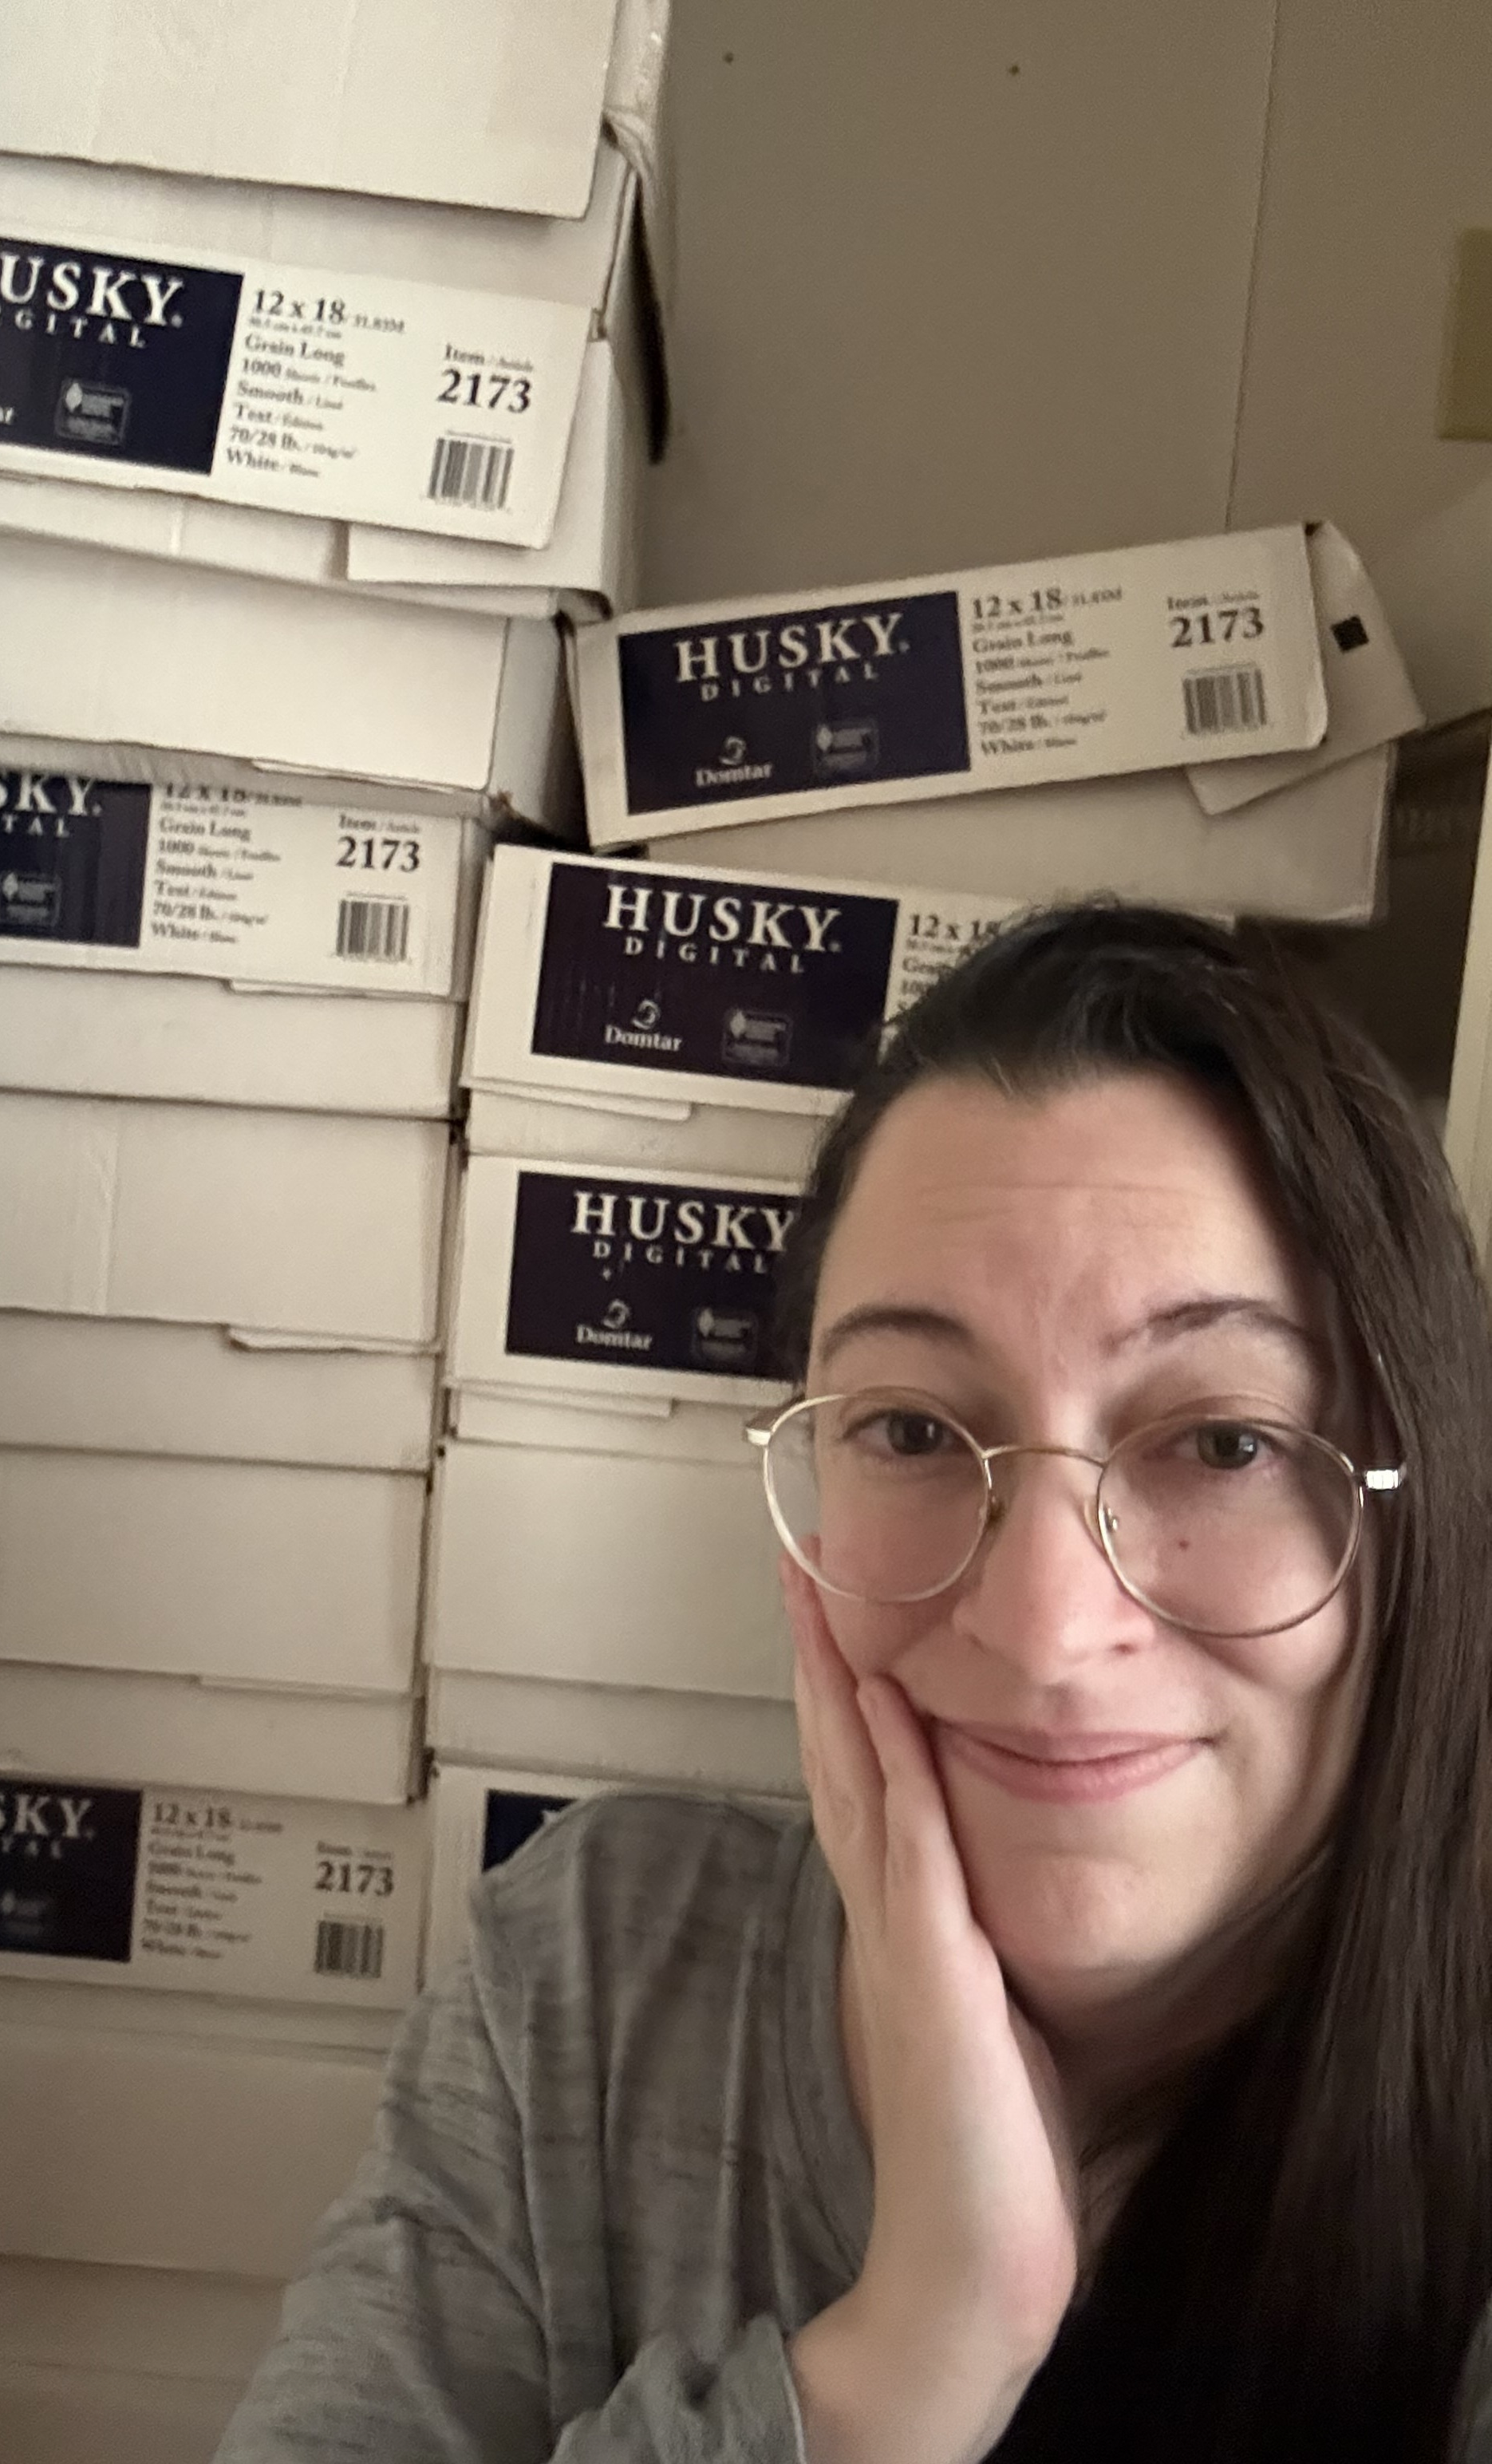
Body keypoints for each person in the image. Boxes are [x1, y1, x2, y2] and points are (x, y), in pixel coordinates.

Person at [216, 903, 1492, 2464]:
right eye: (911, 1430)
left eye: (1223, 1440)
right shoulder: (594, 1978)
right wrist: (919, 2342)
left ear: (1414, 1509)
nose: (1041, 1625)